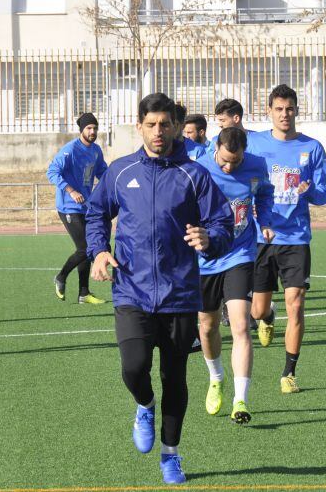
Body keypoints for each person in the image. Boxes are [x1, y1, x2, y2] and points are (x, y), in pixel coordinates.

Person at [86, 93, 232, 486]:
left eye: (164, 124)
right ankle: (144, 405)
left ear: (173, 126)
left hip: (180, 294)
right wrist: (99, 251)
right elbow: (97, 213)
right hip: (131, 291)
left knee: (175, 377)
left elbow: (222, 222)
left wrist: (210, 237)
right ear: (139, 126)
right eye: (150, 125)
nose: (157, 132)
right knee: (133, 369)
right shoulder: (120, 171)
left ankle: (171, 455)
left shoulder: (193, 174)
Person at [248, 85, 326, 394]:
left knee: (296, 304)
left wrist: (308, 190)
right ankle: (267, 315)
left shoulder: (311, 148)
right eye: (279, 109)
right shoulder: (254, 144)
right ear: (269, 111)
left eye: (290, 109)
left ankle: (289, 372)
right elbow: (239, 176)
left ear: (297, 110)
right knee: (257, 310)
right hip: (261, 237)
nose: (285, 114)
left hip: (296, 238)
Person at [195, 127, 274, 425]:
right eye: (225, 161)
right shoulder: (198, 168)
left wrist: (264, 220)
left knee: (240, 324)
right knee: (207, 326)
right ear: (216, 146)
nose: (230, 167)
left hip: (240, 253)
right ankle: (216, 378)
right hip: (204, 259)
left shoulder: (256, 165)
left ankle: (240, 399)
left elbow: (265, 193)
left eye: (236, 161)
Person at [46, 113, 108, 305]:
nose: (93, 132)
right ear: (81, 130)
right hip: (68, 207)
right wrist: (71, 190)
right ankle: (61, 277)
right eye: (89, 128)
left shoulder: (96, 150)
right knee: (86, 247)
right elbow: (52, 172)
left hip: (85, 206)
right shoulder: (70, 149)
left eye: (95, 128)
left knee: (86, 249)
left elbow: (103, 173)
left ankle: (83, 293)